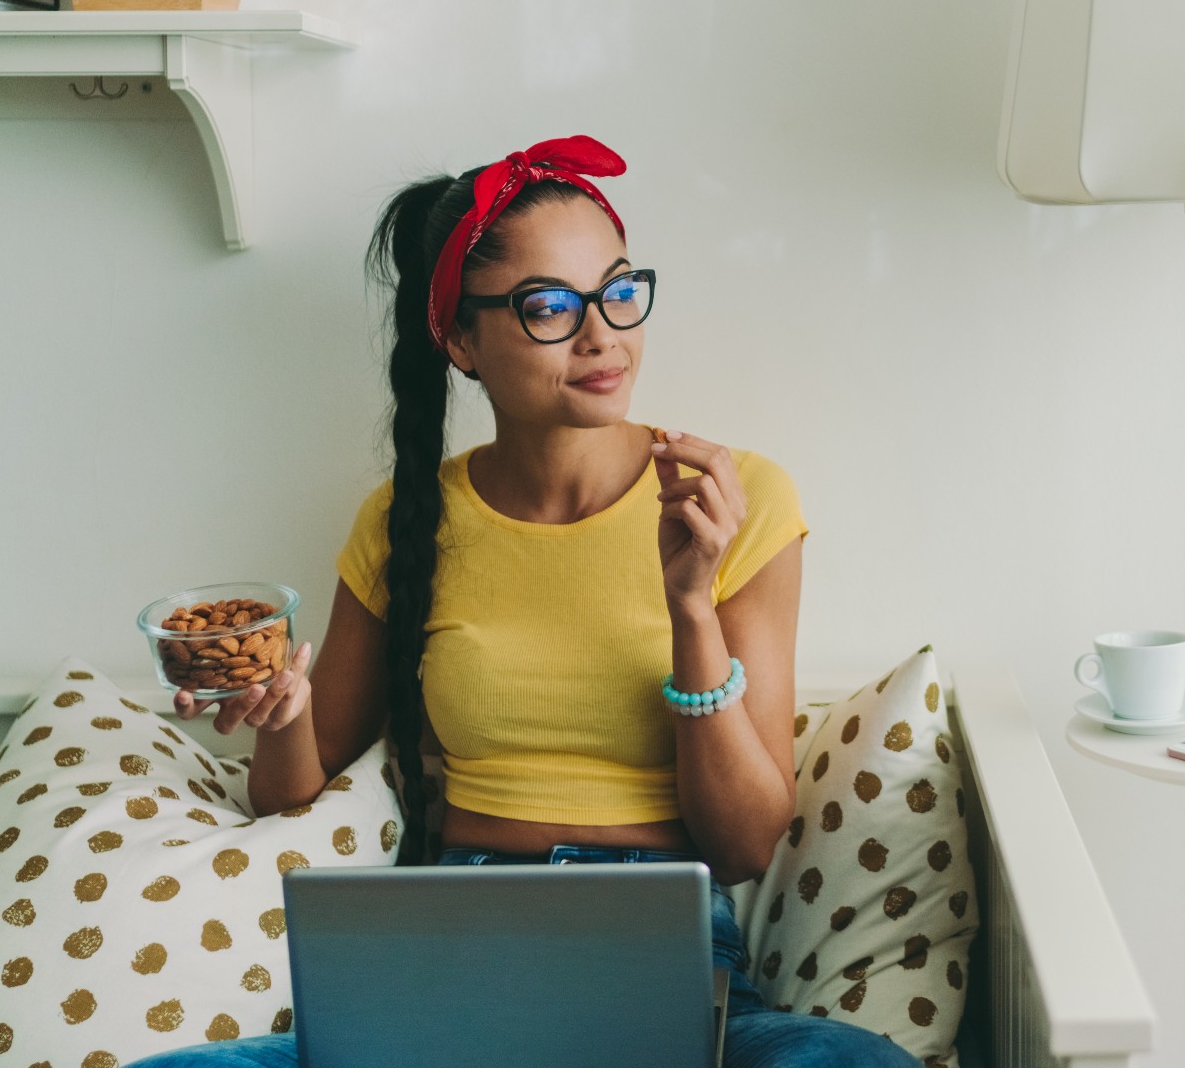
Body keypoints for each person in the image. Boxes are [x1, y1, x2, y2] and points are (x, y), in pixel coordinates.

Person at [130, 136, 918, 1068]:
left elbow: (745, 843)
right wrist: (280, 712)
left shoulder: (732, 496)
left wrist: (691, 609)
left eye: (619, 291)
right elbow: (286, 790)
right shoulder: (403, 519)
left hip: (664, 951)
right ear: (462, 341)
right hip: (452, 947)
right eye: (550, 307)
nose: (603, 336)